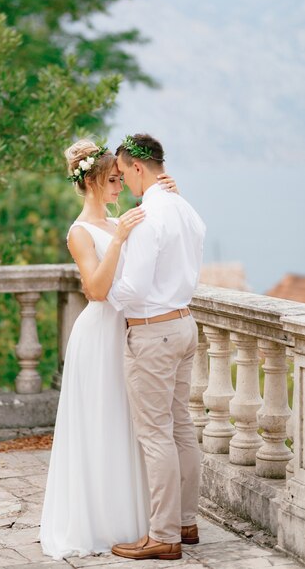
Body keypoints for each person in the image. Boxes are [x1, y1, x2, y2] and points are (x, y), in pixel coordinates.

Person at [40, 139, 178, 559]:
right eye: (114, 180)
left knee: (130, 426)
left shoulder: (119, 219)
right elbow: (96, 290)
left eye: (121, 178)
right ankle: (98, 522)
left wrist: (164, 196)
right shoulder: (80, 232)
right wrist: (118, 240)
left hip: (131, 330)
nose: (120, 186)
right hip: (99, 335)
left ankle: (136, 522)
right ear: (95, 182)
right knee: (103, 423)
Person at [108, 133, 206, 562]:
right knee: (181, 426)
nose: (124, 182)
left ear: (137, 168)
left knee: (155, 434)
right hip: (185, 325)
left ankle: (163, 535)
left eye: (124, 172)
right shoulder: (186, 208)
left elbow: (133, 289)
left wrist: (102, 290)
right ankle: (186, 522)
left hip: (153, 331)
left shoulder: (147, 216)